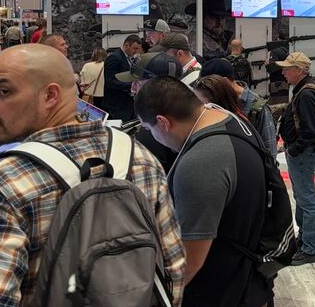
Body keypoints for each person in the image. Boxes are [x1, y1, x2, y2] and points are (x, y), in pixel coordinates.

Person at [0, 44, 186, 305]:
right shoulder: (140, 158)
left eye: (4, 91)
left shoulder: (3, 180)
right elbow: (172, 269)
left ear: (50, 95)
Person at [134, 76, 277, 307]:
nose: (153, 137)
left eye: (150, 129)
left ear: (163, 122)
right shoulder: (227, 117)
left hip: (224, 291)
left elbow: (187, 263)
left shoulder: (200, 163)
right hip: (249, 278)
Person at [278, 52, 315, 265]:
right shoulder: (302, 90)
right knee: (302, 198)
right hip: (300, 153)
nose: (283, 72)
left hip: (302, 154)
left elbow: (310, 131)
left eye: (287, 68)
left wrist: (294, 150)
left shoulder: (306, 94)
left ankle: (310, 248)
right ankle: (304, 240)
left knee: (306, 200)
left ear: (299, 70)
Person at [117, 52, 182, 172]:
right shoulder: (178, 114)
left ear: (159, 86)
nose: (132, 88)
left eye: (137, 83)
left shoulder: (155, 132)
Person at [200, 57, 277, 155]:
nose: (210, 93)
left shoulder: (257, 106)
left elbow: (270, 149)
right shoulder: (214, 103)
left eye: (211, 87)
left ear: (225, 81)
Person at [103, 34, 142, 121]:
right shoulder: (114, 58)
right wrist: (131, 86)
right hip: (117, 104)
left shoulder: (129, 58)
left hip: (128, 103)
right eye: (135, 48)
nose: (136, 51)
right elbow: (110, 81)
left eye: (138, 49)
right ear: (126, 45)